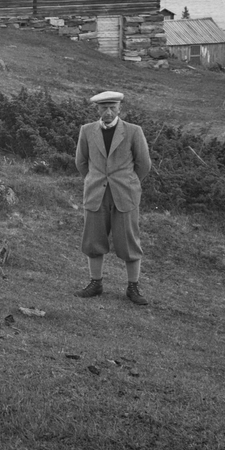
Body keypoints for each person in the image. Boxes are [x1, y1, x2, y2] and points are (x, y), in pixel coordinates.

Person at [73, 90, 153, 305]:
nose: (108, 112)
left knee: (129, 242)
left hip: (125, 194)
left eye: (112, 108)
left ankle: (133, 287)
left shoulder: (134, 131)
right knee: (93, 240)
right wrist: (94, 180)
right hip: (96, 194)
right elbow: (81, 163)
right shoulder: (87, 131)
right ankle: (95, 283)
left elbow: (143, 164)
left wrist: (129, 183)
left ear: (120, 109)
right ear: (97, 109)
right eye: (103, 108)